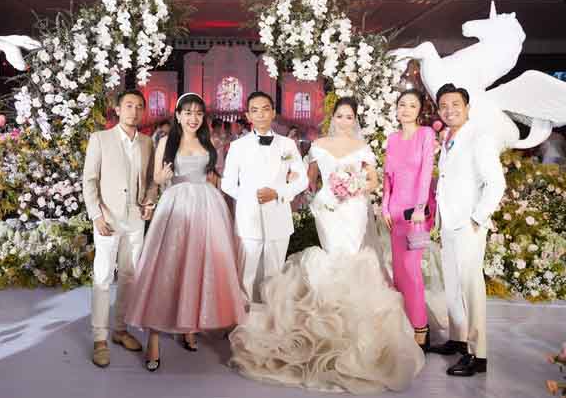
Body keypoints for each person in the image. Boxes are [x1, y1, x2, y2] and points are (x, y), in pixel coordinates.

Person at [229, 97, 424, 394]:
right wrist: (298, 185)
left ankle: (353, 329)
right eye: (340, 115)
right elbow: (308, 180)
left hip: (354, 207)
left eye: (349, 116)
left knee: (352, 259)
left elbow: (373, 181)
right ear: (334, 117)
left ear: (355, 119)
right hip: (327, 207)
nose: (345, 121)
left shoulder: (362, 147)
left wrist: (355, 185)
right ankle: (320, 327)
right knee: (331, 258)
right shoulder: (319, 146)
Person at [126, 93, 246, 371]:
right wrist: (160, 179)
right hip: (177, 205)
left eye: (198, 114)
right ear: (178, 115)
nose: (194, 118)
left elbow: (214, 176)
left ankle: (189, 326)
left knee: (199, 266)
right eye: (188, 113)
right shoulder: (166, 141)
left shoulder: (209, 141)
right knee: (167, 268)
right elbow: (156, 178)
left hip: (207, 206)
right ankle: (154, 338)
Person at [429, 83, 506, 376]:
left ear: (467, 108)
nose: (449, 110)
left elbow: (496, 183)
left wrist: (477, 218)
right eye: (443, 106)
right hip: (449, 222)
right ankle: (458, 338)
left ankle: (478, 354)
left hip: (468, 224)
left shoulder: (480, 137)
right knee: (452, 284)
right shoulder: (448, 137)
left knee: (471, 287)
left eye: (455, 105)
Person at [82, 89, 158, 368]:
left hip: (135, 219)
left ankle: (121, 329)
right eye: (128, 105)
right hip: (108, 219)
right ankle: (99, 338)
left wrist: (150, 201)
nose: (134, 111)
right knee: (103, 277)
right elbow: (89, 180)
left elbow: (152, 180)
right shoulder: (100, 139)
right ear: (117, 109)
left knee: (129, 276)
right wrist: (96, 215)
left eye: (139, 106)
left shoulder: (147, 142)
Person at [221, 91, 308, 303]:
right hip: (248, 220)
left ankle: (272, 314)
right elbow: (227, 184)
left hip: (278, 217)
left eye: (265, 109)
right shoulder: (238, 146)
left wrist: (278, 193)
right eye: (255, 110)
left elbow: (302, 180)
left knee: (275, 274)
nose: (260, 114)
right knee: (246, 274)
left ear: (273, 113)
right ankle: (245, 315)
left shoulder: (287, 145)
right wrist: (252, 197)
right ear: (248, 115)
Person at [382, 89, 436, 351]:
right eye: (402, 104)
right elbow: (387, 177)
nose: (406, 109)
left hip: (416, 214)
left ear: (419, 110)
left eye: (412, 105)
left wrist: (420, 207)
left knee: (412, 270)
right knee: (399, 272)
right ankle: (405, 323)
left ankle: (421, 328)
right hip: (395, 212)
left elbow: (426, 172)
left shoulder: (426, 134)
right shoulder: (392, 138)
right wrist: (384, 207)